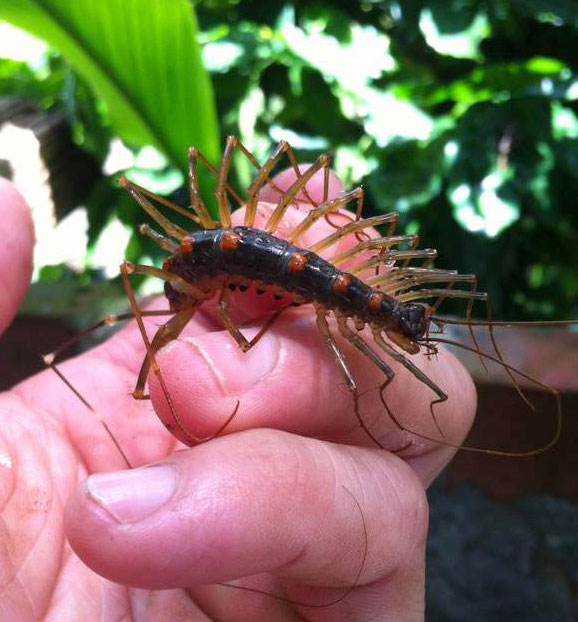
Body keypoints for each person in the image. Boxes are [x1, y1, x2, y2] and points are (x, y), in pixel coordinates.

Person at [0, 171, 475, 621]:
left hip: (236, 260)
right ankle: (143, 382)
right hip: (208, 262)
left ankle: (148, 381)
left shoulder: (360, 300)